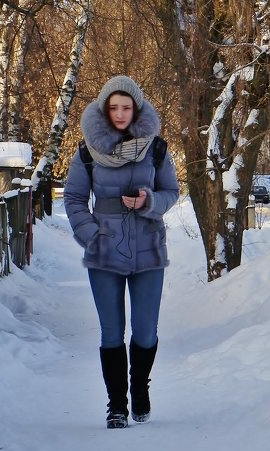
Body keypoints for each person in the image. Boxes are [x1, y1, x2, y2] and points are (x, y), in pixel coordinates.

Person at [64, 75, 179, 429]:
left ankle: (139, 389)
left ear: (136, 108)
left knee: (145, 332)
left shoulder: (156, 149)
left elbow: (171, 192)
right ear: (104, 109)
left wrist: (149, 202)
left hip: (148, 249)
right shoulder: (88, 150)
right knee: (111, 332)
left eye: (125, 107)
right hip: (105, 253)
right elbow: (73, 199)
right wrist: (91, 235)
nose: (119, 113)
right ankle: (116, 405)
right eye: (113, 107)